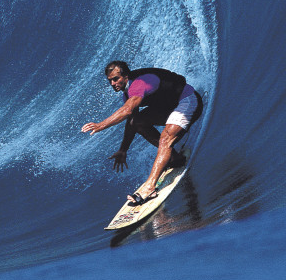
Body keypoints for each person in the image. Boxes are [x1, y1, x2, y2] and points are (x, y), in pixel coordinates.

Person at [81, 61, 203, 205]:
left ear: (126, 76)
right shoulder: (127, 94)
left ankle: (150, 188)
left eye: (116, 79)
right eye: (110, 81)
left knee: (165, 139)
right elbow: (132, 121)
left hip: (187, 100)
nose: (113, 83)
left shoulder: (139, 84)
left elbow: (126, 110)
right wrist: (123, 150)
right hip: (169, 108)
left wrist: (100, 125)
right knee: (137, 122)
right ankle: (175, 159)